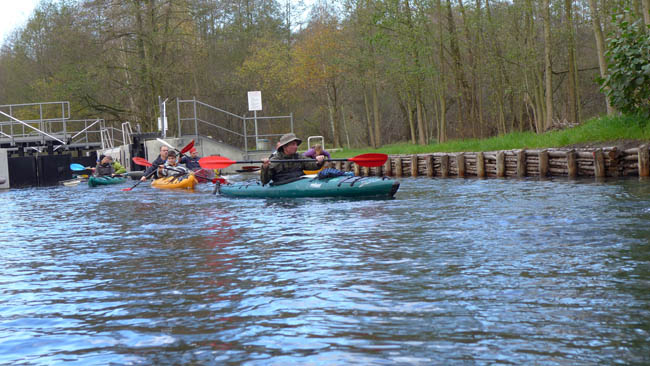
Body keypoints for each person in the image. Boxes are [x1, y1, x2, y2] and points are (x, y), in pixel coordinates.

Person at [261, 133, 325, 185]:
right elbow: (265, 181)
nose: (296, 147)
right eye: (293, 144)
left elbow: (312, 165)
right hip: (283, 185)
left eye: (296, 144)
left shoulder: (299, 157)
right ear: (284, 147)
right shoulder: (275, 160)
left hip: (300, 182)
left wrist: (319, 162)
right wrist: (265, 168)